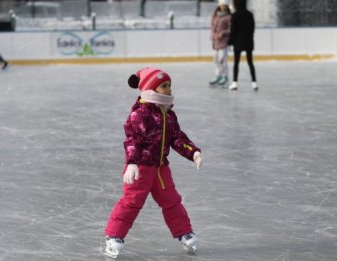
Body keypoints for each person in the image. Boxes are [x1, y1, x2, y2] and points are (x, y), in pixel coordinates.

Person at [103, 67, 203, 258]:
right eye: (164, 86)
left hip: (160, 168)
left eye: (169, 85)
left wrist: (194, 153)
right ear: (151, 88)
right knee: (132, 202)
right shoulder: (140, 114)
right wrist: (132, 162)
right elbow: (133, 140)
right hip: (140, 167)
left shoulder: (168, 114)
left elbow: (177, 138)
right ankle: (114, 236)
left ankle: (184, 232)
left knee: (171, 200)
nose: (169, 89)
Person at [227, 0, 258, 91]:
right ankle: (254, 83)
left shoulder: (235, 15)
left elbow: (233, 31)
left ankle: (234, 83)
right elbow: (252, 29)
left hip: (238, 42)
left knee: (236, 63)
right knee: (250, 62)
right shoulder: (250, 14)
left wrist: (230, 42)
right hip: (248, 41)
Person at [209, 0, 232, 86]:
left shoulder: (229, 17)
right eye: (222, 5)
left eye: (225, 6)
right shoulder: (215, 16)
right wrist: (212, 36)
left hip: (223, 41)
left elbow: (231, 29)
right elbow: (212, 27)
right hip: (215, 41)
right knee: (216, 60)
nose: (223, 7)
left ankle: (225, 76)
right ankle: (217, 76)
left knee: (222, 60)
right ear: (219, 6)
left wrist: (223, 33)